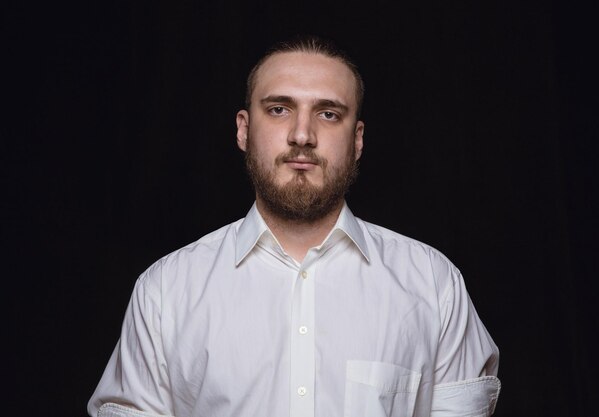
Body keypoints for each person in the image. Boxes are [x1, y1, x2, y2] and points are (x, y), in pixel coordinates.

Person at [87, 34, 501, 417]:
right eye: (279, 109)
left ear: (357, 140)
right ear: (243, 130)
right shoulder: (165, 293)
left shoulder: (433, 285)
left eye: (328, 113)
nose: (302, 135)